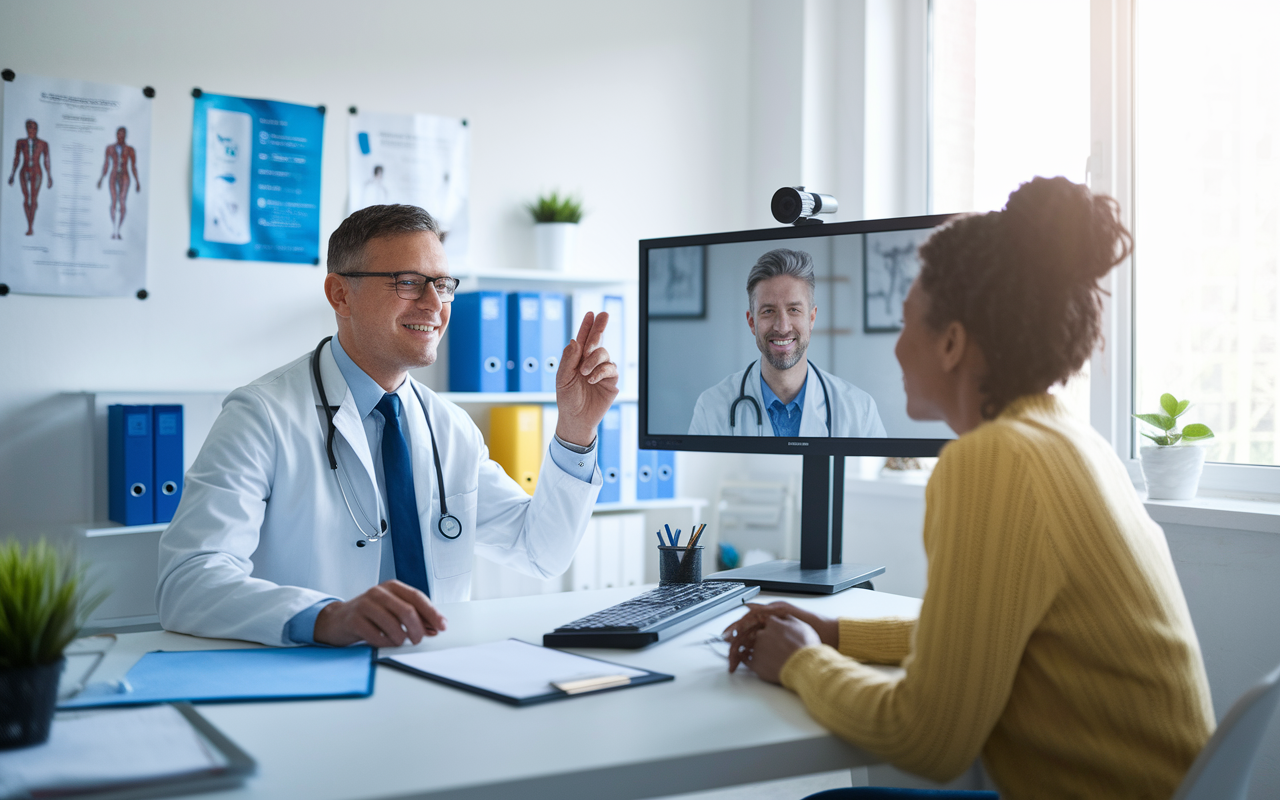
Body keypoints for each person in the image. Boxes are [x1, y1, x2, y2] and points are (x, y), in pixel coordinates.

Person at [724, 178, 1214, 799]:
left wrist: (798, 661)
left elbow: (927, 738)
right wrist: (832, 633)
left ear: (952, 342)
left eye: (906, 325)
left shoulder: (994, 460)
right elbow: (975, 638)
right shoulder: (1068, 438)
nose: (897, 349)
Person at [157, 204, 618, 648]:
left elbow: (540, 552)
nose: (434, 304)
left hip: (439, 670)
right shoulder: (261, 416)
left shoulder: (450, 427)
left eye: (442, 284)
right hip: (314, 678)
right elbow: (189, 582)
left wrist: (575, 431)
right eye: (409, 282)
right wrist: (325, 616)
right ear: (340, 295)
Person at [688, 248, 886, 437]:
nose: (782, 327)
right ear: (751, 322)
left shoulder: (861, 411)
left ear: (811, 318)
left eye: (794, 310)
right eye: (768, 311)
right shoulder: (712, 407)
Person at [7, 119, 52, 236]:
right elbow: (16, 159)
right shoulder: (20, 143)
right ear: (26, 129)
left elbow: (47, 161)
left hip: (37, 172)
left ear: (37, 130)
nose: (32, 130)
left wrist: (49, 176)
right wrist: (12, 174)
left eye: (34, 128)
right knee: (26, 199)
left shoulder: (43, 144)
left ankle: (30, 227)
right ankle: (29, 225)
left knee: (34, 199)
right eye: (30, 128)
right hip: (24, 171)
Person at [97, 126, 141, 240]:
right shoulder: (110, 148)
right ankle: (113, 228)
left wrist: (137, 181)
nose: (120, 136)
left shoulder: (130, 150)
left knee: (122, 201)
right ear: (116, 135)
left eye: (123, 134)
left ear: (125, 135)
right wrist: (101, 178)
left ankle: (118, 229)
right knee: (113, 201)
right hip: (113, 174)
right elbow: (106, 164)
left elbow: (133, 166)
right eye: (119, 134)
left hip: (125, 175)